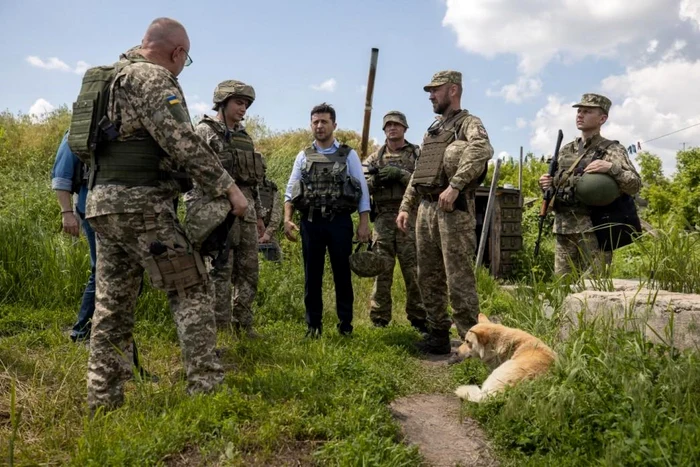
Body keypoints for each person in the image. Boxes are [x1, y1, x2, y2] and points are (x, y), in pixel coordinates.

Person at [71, 17, 248, 412]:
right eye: (186, 59)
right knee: (192, 289)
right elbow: (182, 141)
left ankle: (103, 401)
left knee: (111, 308)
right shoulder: (152, 78)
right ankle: (206, 390)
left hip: (102, 205)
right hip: (143, 206)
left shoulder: (112, 79)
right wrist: (229, 189)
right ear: (178, 52)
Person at [397, 71, 493, 355]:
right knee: (428, 274)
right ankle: (437, 333)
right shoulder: (433, 129)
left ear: (453, 90)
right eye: (429, 91)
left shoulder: (469, 123)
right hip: (426, 209)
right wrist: (406, 206)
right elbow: (420, 171)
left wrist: (455, 186)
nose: (430, 96)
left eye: (435, 90)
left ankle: (470, 342)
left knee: (459, 276)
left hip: (454, 209)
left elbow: (482, 150)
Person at [284, 103, 371, 337]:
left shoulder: (348, 154)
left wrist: (364, 223)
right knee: (312, 276)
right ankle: (313, 326)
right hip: (311, 223)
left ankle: (345, 326)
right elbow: (291, 191)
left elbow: (362, 190)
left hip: (340, 222)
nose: (319, 126)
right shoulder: (303, 155)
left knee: (342, 274)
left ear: (334, 124)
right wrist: (287, 219)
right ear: (311, 124)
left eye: (324, 121)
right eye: (315, 122)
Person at [189, 80, 265, 336]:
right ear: (222, 103)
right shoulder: (204, 132)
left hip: (247, 212)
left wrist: (259, 216)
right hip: (217, 212)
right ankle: (220, 330)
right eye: (239, 103)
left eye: (246, 104)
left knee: (249, 270)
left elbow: (254, 180)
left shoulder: (245, 137)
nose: (243, 109)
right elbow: (196, 174)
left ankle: (243, 324)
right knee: (221, 271)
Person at [538, 93, 641, 275]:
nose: (580, 115)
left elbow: (634, 185)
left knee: (593, 288)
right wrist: (547, 184)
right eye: (579, 111)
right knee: (562, 286)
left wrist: (611, 167)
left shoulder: (612, 149)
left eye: (587, 111)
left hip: (594, 229)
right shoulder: (566, 150)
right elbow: (560, 185)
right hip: (563, 228)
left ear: (602, 118)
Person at [364, 111, 427, 333]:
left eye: (397, 124)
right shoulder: (374, 158)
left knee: (414, 270)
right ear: (384, 130)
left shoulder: (417, 154)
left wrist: (401, 175)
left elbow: (425, 182)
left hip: (409, 216)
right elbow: (362, 187)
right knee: (382, 270)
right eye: (388, 125)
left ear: (405, 128)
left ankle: (420, 317)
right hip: (383, 218)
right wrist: (377, 180)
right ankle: (379, 318)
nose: (392, 128)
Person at [51, 131, 95, 342]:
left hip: (121, 213)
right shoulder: (78, 129)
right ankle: (82, 331)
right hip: (91, 211)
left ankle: (97, 328)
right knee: (101, 270)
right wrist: (67, 213)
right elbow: (61, 176)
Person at [258, 155, 283, 262]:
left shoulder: (270, 187)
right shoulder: (242, 187)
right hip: (247, 232)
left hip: (268, 233)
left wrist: (268, 233)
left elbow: (276, 212)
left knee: (276, 262)